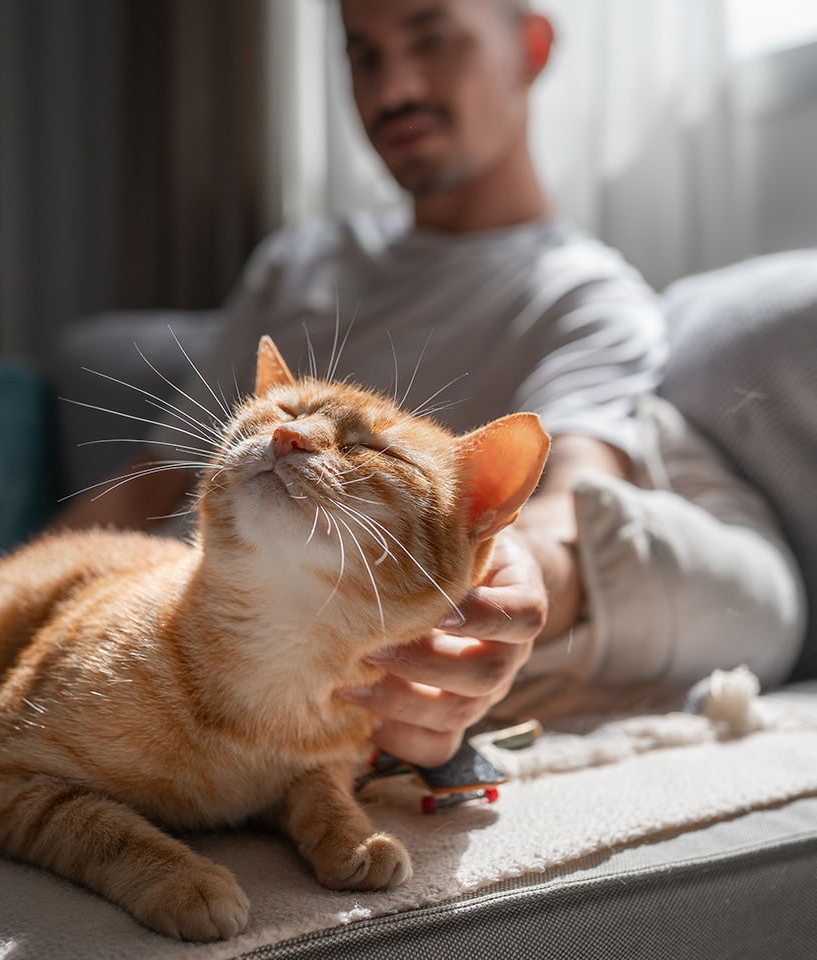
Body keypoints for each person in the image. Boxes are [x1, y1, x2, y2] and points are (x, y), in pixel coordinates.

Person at [58, 0, 805, 764]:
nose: (394, 90)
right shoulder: (300, 259)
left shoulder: (587, 297)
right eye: (364, 56)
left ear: (532, 46)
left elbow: (570, 500)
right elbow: (159, 475)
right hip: (148, 639)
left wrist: (514, 584)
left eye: (432, 39)